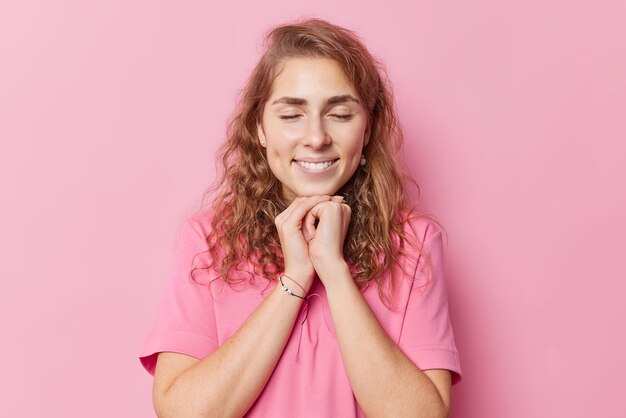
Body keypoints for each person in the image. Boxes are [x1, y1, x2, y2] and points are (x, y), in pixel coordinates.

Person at [138, 17, 462, 417]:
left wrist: (333, 268)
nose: (316, 137)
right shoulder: (209, 238)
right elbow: (184, 413)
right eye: (291, 115)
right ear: (259, 127)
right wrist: (294, 278)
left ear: (369, 126)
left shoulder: (414, 242)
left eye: (340, 115)